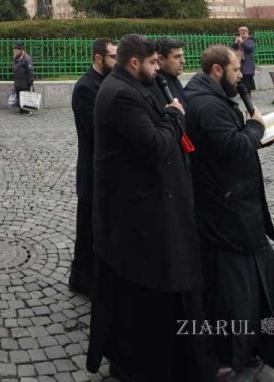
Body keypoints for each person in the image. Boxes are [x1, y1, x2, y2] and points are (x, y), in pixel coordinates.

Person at [86, 35, 214, 381]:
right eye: (154, 63)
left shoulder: (131, 85)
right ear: (134, 63)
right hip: (135, 213)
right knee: (140, 297)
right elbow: (155, 144)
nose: (158, 69)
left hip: (142, 207)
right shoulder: (121, 94)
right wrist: (174, 116)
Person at [185, 44, 274, 373]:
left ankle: (273, 331)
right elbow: (234, 145)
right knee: (239, 290)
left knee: (263, 279)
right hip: (228, 209)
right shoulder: (206, 105)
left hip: (239, 205)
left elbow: (228, 145)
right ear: (217, 70)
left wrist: (257, 137)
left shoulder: (212, 98)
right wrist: (257, 127)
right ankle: (243, 346)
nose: (240, 76)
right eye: (236, 70)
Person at [68, 37, 115, 296]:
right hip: (91, 169)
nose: (117, 62)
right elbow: (95, 132)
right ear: (98, 58)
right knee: (87, 227)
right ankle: (81, 279)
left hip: (105, 168)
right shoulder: (85, 87)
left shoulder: (107, 81)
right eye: (112, 57)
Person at [156, 38, 188, 105]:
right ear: (161, 59)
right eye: (177, 57)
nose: (183, 61)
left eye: (182, 56)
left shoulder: (173, 78)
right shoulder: (157, 85)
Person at [12, 42, 35, 114]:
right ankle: (21, 110)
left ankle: (26, 110)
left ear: (21, 50)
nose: (15, 51)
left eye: (16, 50)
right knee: (19, 95)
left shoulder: (27, 58)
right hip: (18, 81)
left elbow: (30, 70)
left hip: (25, 81)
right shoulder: (16, 57)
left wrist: (30, 81)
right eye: (14, 50)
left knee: (25, 95)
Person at [232, 26, 257, 90]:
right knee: (240, 82)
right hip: (239, 64)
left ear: (247, 32)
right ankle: (243, 93)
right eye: (240, 33)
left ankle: (247, 93)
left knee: (247, 82)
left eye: (243, 33)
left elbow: (250, 49)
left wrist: (242, 42)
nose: (241, 35)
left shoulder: (251, 40)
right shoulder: (238, 40)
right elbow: (233, 50)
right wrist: (235, 43)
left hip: (247, 64)